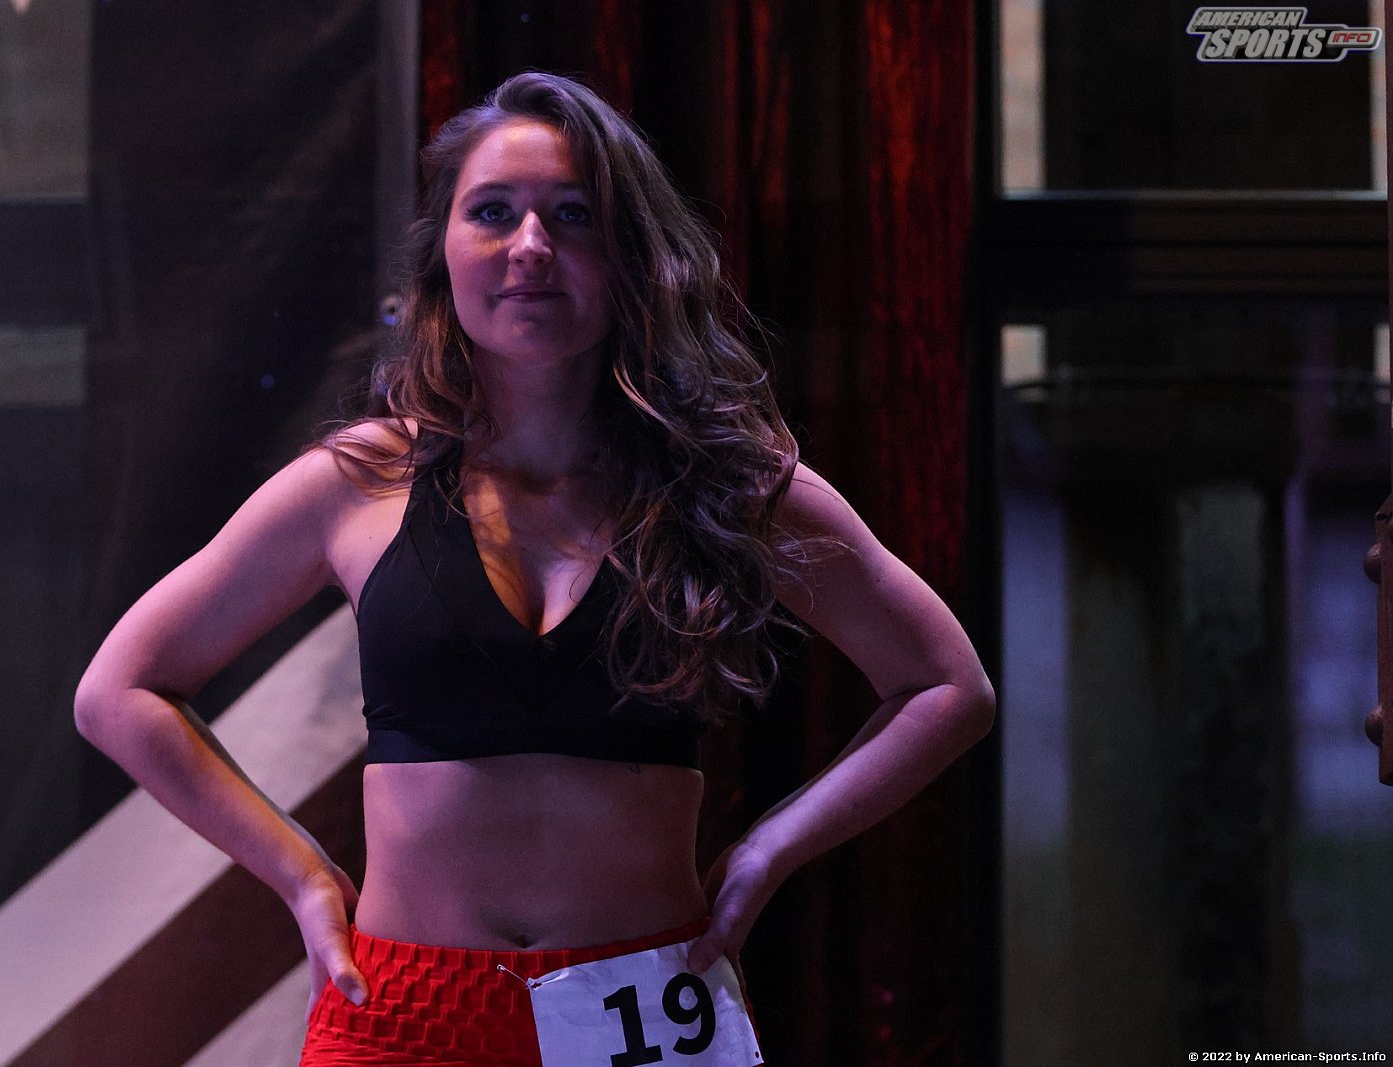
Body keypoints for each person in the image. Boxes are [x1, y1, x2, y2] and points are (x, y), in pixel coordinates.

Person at [73, 70, 995, 1066]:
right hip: (403, 1011)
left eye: (573, 214)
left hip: (645, 1004)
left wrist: (773, 846)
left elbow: (948, 687)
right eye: (492, 212)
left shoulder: (725, 478)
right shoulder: (359, 482)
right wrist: (300, 874)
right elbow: (119, 691)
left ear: (631, 252)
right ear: (442, 251)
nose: (530, 246)